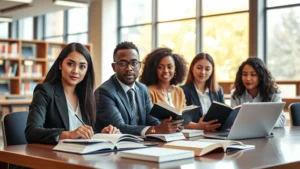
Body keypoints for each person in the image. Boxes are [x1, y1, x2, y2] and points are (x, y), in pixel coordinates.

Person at [25, 43, 119, 145]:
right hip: (54, 155)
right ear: (60, 65)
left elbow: (86, 132)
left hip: (82, 155)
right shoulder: (44, 91)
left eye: (82, 66)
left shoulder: (86, 96)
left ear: (87, 71)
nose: (75, 71)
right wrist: (68, 135)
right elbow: (32, 132)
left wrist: (101, 134)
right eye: (70, 64)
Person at [94, 42, 184, 136]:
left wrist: (170, 126)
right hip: (117, 147)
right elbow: (119, 127)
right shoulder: (104, 92)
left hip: (142, 145)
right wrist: (156, 130)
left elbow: (151, 121)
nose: (129, 68)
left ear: (140, 66)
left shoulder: (142, 89)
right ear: (114, 67)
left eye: (134, 63)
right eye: (122, 63)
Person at [231, 57, 286, 127]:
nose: (248, 78)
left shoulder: (273, 93)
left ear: (261, 76)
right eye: (244, 74)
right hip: (244, 135)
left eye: (253, 75)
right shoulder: (236, 94)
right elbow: (233, 120)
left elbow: (282, 120)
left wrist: (257, 122)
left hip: (267, 135)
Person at [181, 53, 223, 131]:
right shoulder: (182, 91)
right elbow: (181, 121)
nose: (203, 72)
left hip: (216, 134)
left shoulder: (218, 91)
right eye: (199, 68)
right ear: (192, 68)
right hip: (194, 136)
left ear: (212, 71)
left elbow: (224, 115)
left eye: (207, 69)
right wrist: (197, 126)